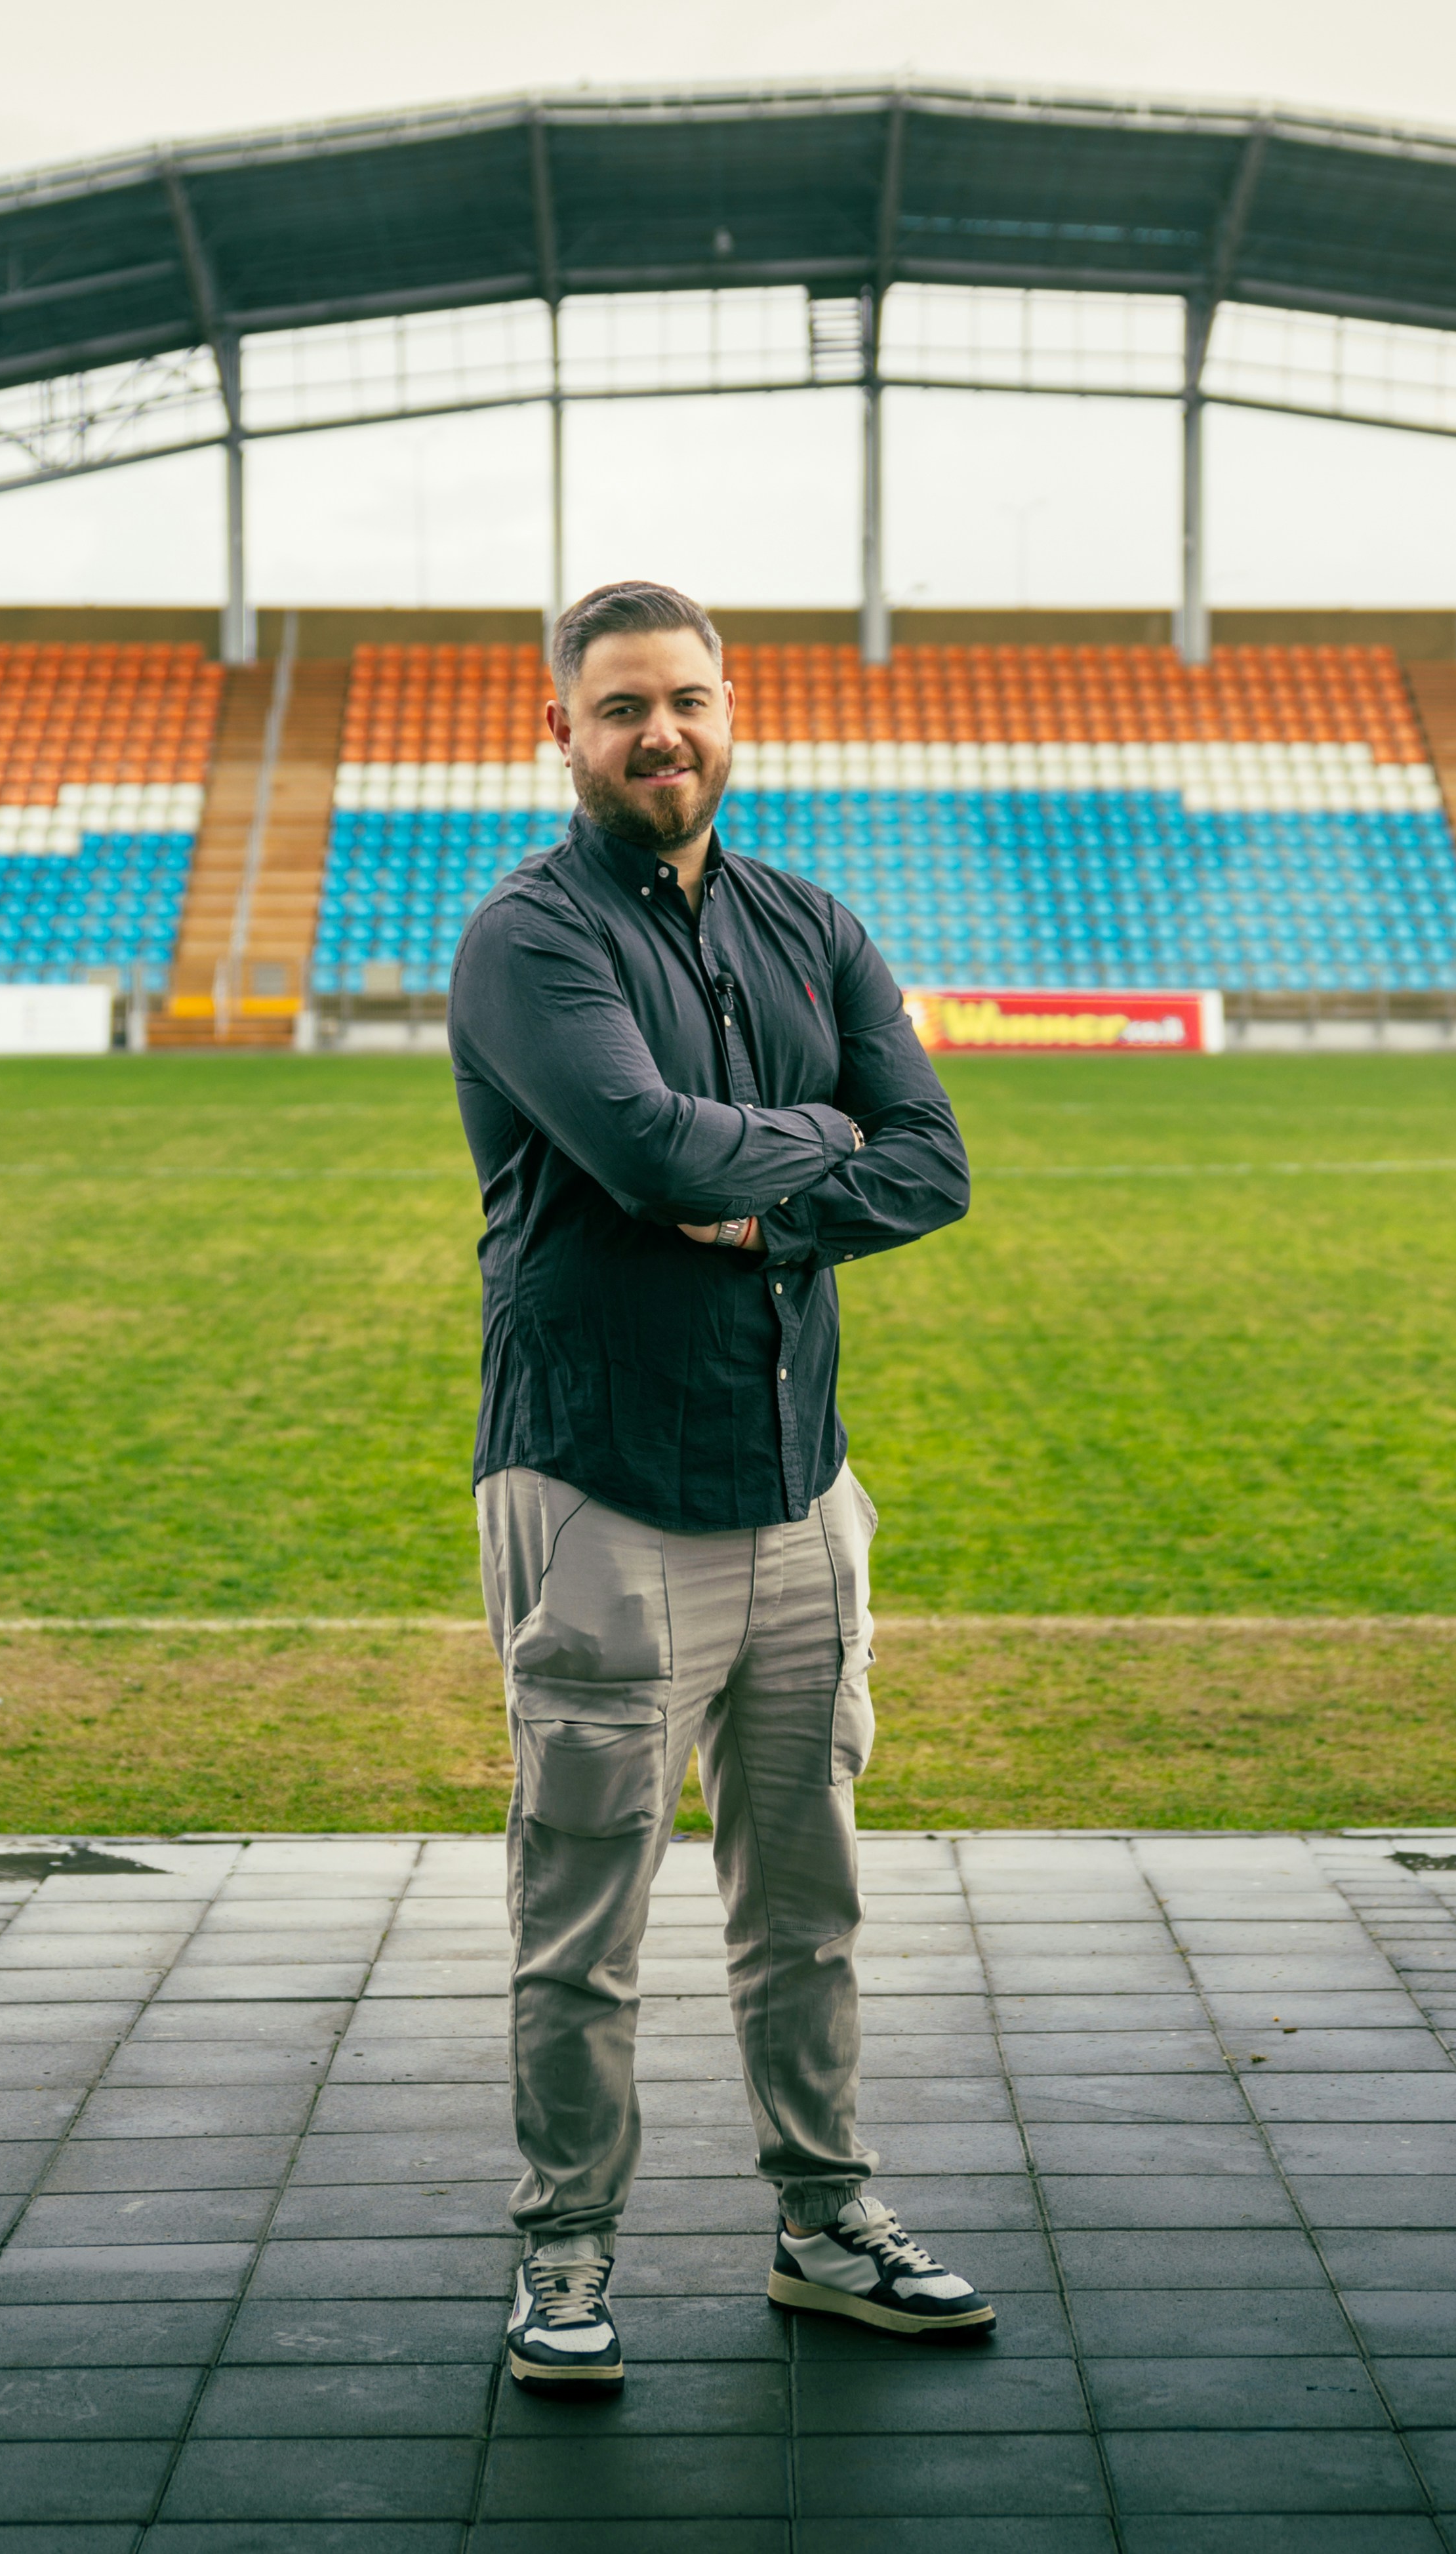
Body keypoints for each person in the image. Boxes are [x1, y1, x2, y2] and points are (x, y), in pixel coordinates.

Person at [448, 578, 981, 2396]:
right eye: (620, 708)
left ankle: (828, 2226)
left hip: (797, 1489)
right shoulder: (528, 937)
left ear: (731, 711)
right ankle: (566, 2255)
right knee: (582, 1919)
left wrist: (761, 1186)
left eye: (686, 699)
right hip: (598, 1484)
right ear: (564, 732)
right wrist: (813, 1147)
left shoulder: (809, 922)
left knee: (807, 1906)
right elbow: (637, 1141)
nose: (659, 733)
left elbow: (932, 1163)